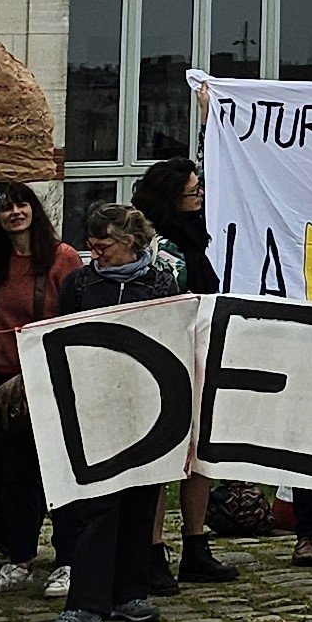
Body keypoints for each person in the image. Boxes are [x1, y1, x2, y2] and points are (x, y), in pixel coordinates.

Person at [38, 206, 181, 622]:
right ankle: (85, 603)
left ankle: (128, 591)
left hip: (145, 407)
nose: (96, 253)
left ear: (133, 242)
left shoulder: (160, 282)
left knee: (141, 497)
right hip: (93, 406)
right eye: (93, 245)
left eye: (107, 245)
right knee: (97, 506)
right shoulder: (80, 283)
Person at [129, 157, 242, 587]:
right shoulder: (155, 247)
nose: (200, 197)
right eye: (193, 192)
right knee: (163, 458)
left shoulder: (194, 239)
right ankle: (153, 550)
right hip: (167, 359)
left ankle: (196, 543)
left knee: (203, 455)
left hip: (202, 354)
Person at [0, 183, 78, 591]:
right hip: (8, 383)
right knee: (16, 478)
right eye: (8, 206)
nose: (15, 212)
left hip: (51, 380)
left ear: (35, 209)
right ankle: (20, 559)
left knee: (59, 475)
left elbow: (76, 318)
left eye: (22, 204)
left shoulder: (62, 258)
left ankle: (69, 560)